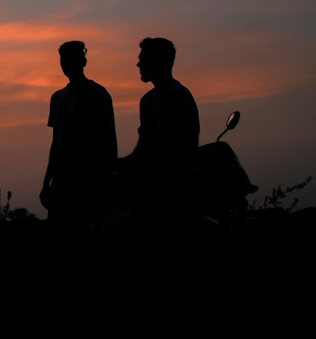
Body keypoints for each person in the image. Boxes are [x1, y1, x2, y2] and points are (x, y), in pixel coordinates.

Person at [117, 37, 200, 213]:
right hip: (150, 183)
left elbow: (159, 147)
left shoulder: (177, 96)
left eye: (143, 59)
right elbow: (143, 147)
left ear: (159, 61)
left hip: (171, 188)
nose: (138, 65)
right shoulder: (147, 100)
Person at [40, 41, 117, 229]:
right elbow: (56, 142)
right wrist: (47, 181)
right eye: (63, 60)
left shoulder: (98, 94)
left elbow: (108, 139)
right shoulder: (57, 97)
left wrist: (105, 176)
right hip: (62, 179)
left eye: (71, 59)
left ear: (83, 61)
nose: (66, 64)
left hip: (88, 179)